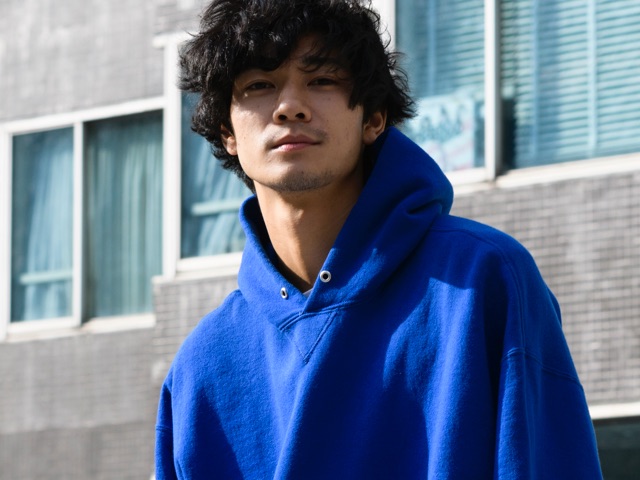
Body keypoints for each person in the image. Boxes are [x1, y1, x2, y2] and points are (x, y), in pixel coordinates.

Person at [155, 0, 603, 478]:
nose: (289, 107)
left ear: (373, 119)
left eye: (321, 80)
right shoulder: (201, 366)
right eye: (259, 85)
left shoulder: (482, 281)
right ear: (227, 131)